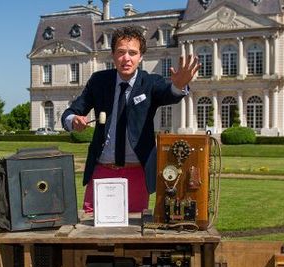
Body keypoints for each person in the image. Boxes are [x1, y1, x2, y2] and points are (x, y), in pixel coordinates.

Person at [61, 26, 200, 213]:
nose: (126, 58)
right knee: (90, 228)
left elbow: (169, 94)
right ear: (113, 55)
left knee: (133, 232)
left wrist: (178, 85)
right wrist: (73, 120)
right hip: (102, 170)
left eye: (132, 53)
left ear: (140, 57)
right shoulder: (99, 81)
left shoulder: (150, 82)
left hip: (136, 173)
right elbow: (70, 112)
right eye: (121, 52)